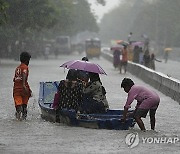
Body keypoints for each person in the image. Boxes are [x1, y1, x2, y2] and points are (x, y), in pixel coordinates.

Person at [13, 51, 32, 120]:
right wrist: (24, 85)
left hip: (16, 90)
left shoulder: (17, 68)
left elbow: (14, 79)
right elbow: (24, 73)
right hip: (24, 89)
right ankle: (24, 120)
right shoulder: (25, 67)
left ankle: (18, 120)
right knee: (24, 107)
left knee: (19, 107)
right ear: (27, 60)